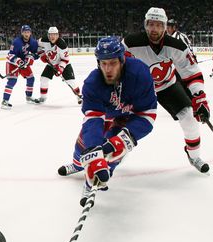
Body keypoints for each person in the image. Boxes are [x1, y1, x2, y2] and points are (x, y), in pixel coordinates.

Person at [58, 37, 157, 206]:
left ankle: (97, 178)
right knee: (82, 146)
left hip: (129, 115)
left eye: (112, 63)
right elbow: (92, 121)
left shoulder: (140, 74)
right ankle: (78, 165)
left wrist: (121, 141)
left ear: (122, 61)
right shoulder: (92, 83)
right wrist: (92, 154)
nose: (108, 69)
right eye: (103, 63)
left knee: (114, 148)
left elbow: (147, 115)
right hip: (107, 113)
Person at [123, 7, 210, 174]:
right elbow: (118, 66)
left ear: (165, 27)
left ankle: (194, 156)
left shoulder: (176, 45)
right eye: (151, 24)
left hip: (167, 86)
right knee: (122, 124)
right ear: (145, 25)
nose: (154, 29)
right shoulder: (130, 43)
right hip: (141, 90)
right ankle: (116, 154)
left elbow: (191, 73)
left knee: (189, 118)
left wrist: (199, 96)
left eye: (159, 25)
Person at [37, 27, 81, 104]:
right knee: (43, 79)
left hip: (64, 64)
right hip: (51, 64)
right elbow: (36, 45)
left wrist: (60, 69)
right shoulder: (43, 40)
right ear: (48, 35)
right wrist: (41, 53)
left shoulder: (62, 45)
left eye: (55, 34)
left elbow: (65, 59)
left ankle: (79, 96)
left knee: (71, 81)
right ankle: (43, 97)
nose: (53, 36)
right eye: (51, 34)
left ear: (58, 35)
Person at [1, 25, 39, 110]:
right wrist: (18, 61)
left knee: (31, 78)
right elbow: (10, 55)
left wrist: (31, 57)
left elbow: (36, 54)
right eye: (25, 32)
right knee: (12, 81)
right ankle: (4, 101)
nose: (27, 34)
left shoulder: (33, 42)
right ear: (22, 33)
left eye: (28, 32)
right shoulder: (16, 42)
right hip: (12, 63)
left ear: (30, 33)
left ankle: (28, 97)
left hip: (24, 63)